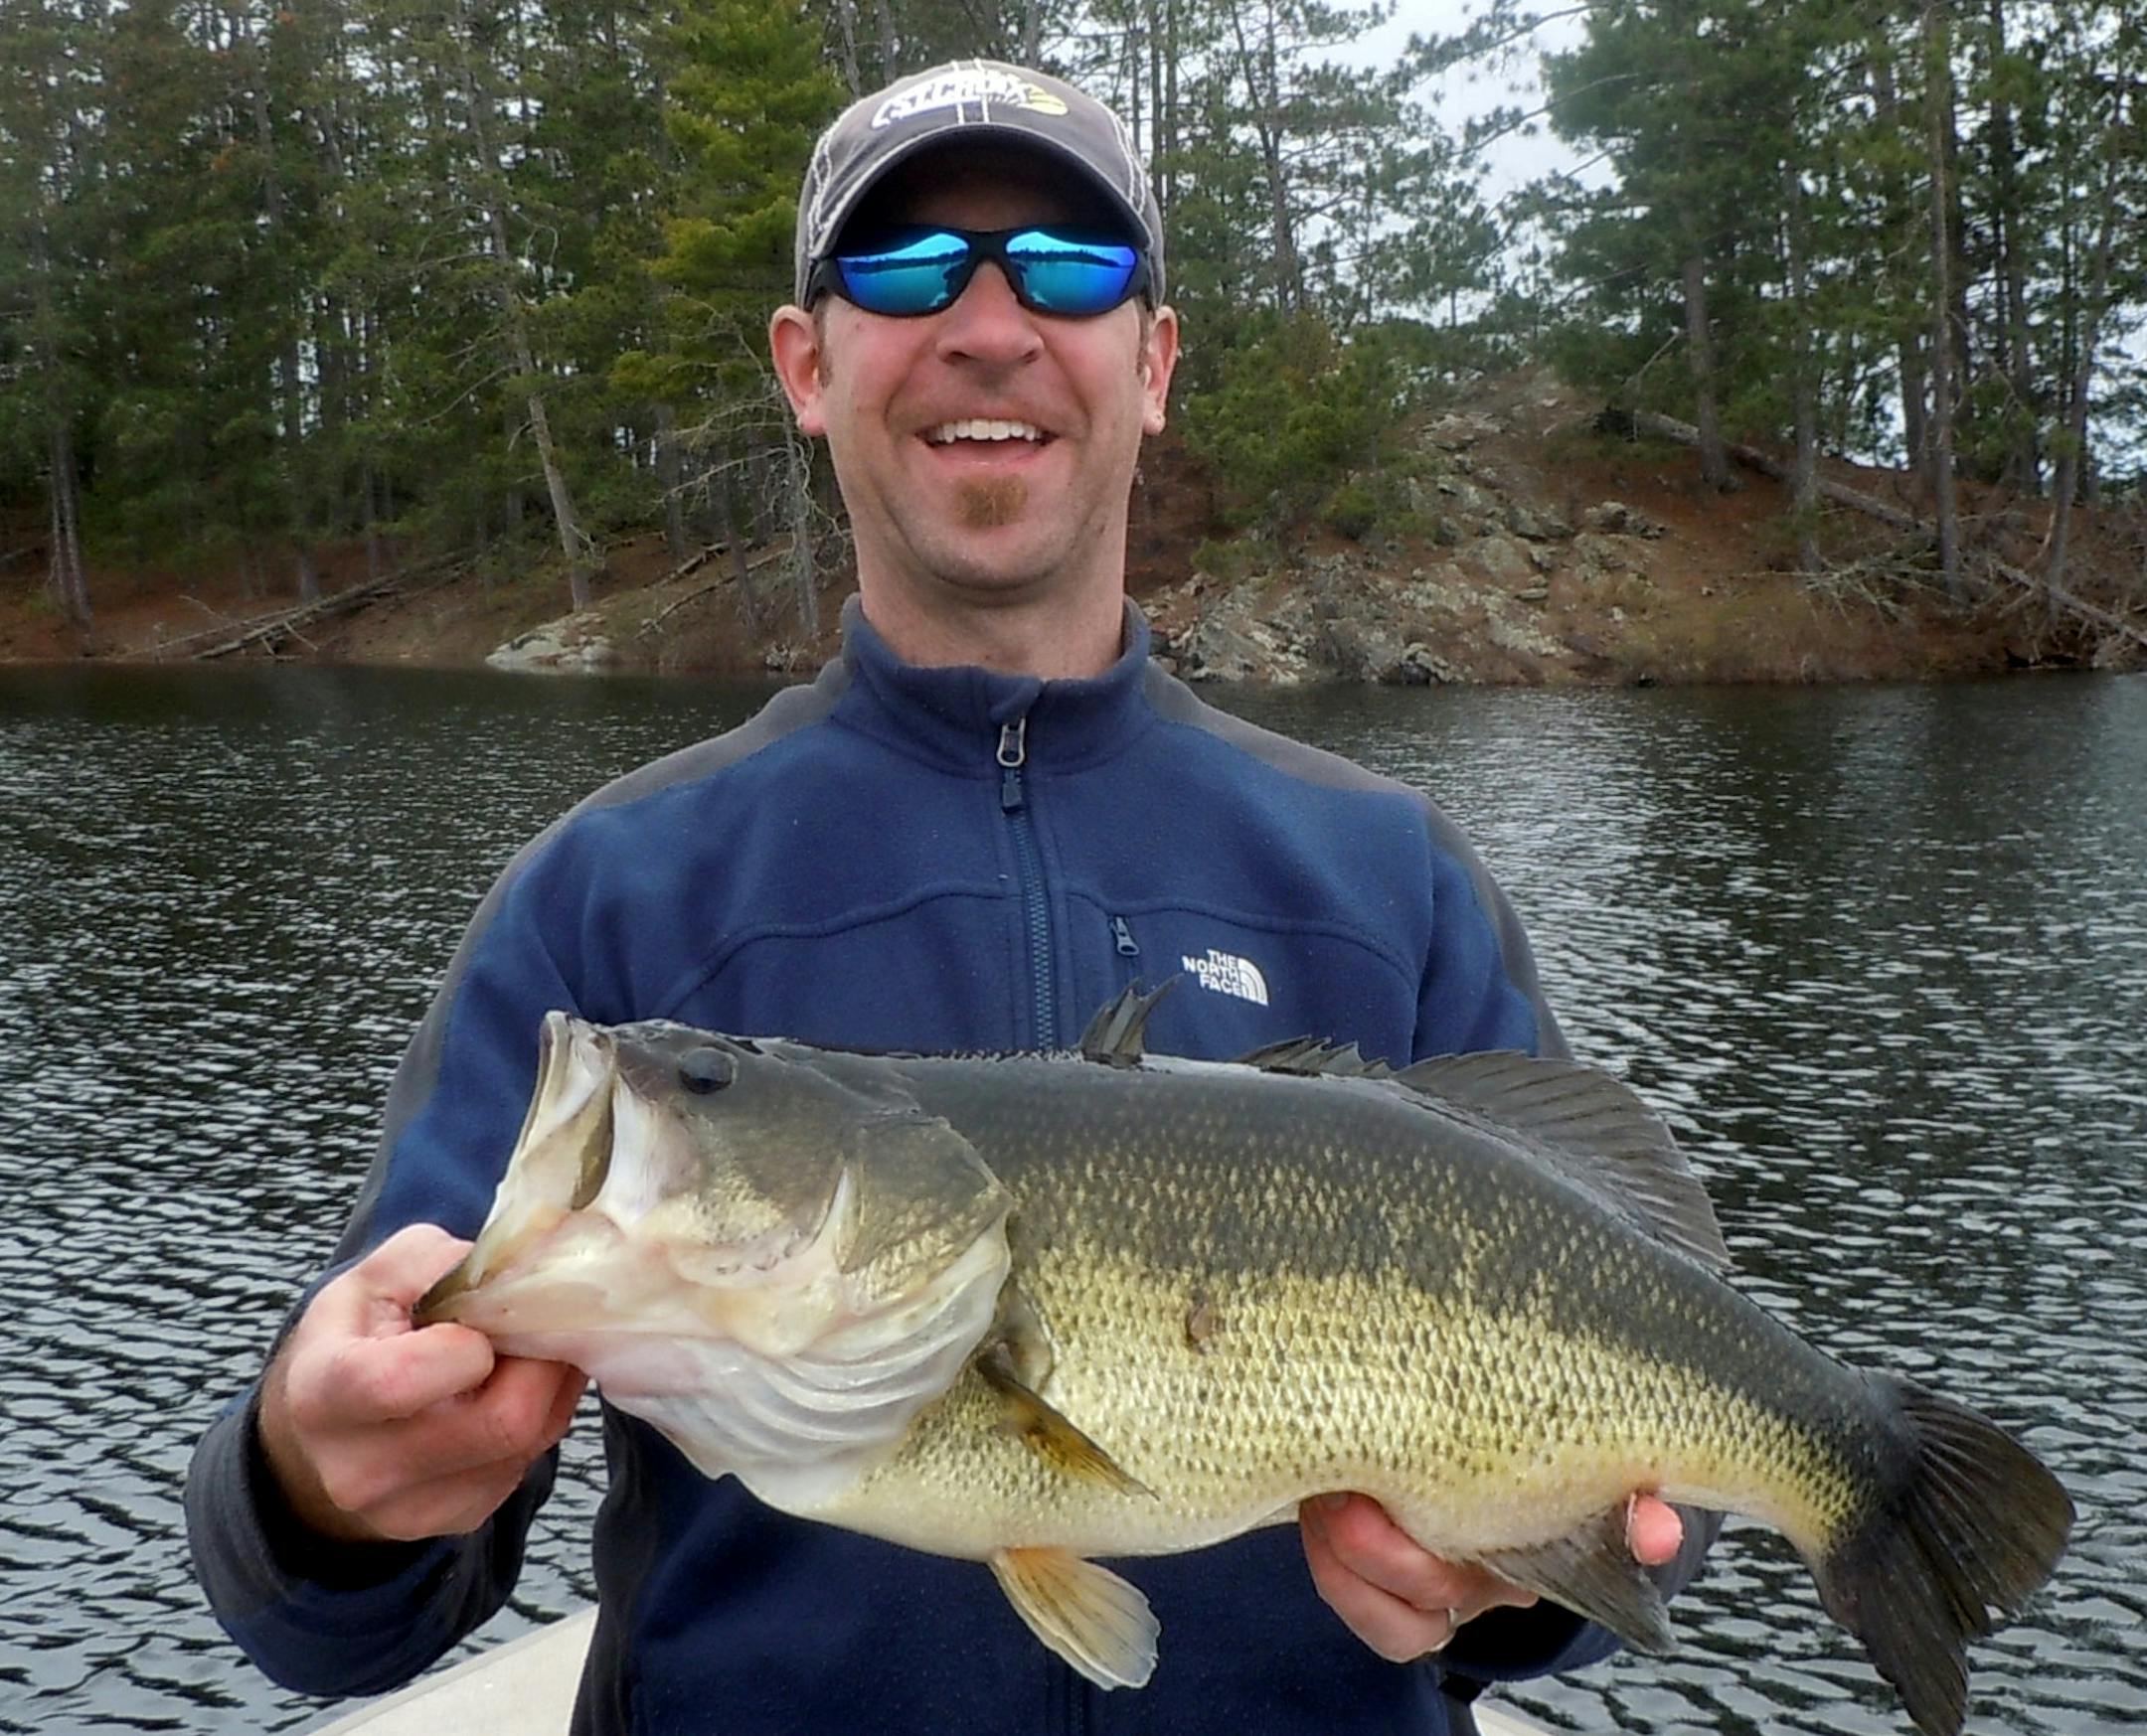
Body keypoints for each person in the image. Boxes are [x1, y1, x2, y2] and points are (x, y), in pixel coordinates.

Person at [187, 59, 1709, 1735]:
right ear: (805, 366)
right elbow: (341, 1623)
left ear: (1156, 362)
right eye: (908, 271)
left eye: (1069, 267)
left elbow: (1640, 1464)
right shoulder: (610, 902)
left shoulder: (1386, 874)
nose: (990, 326)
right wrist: (311, 1484)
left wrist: (1507, 1593)